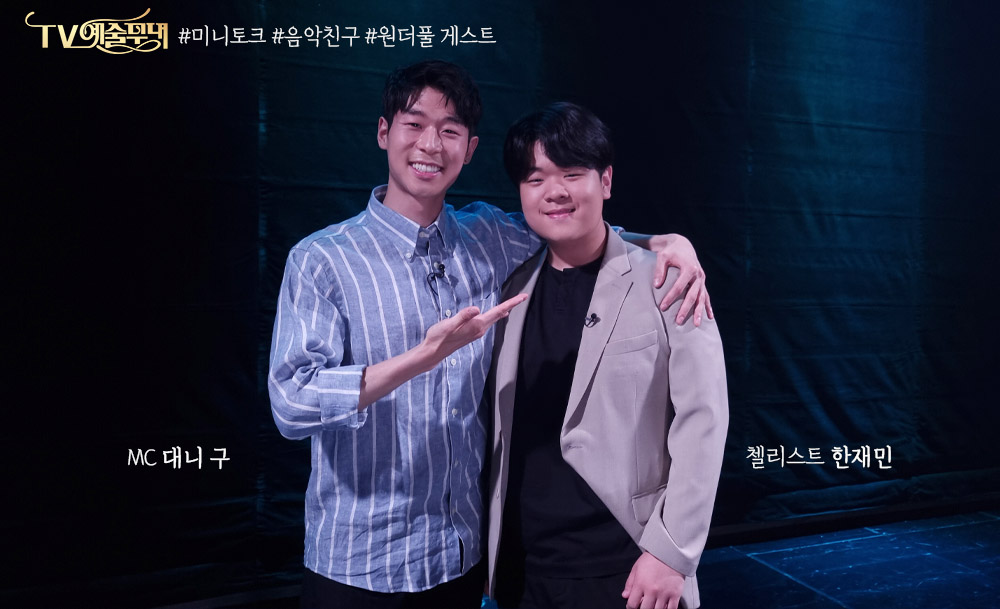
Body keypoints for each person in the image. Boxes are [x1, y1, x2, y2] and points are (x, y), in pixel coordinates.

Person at [268, 61, 711, 609]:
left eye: (450, 130)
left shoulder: (488, 238)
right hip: (361, 562)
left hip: (462, 557)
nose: (430, 144)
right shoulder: (322, 259)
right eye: (414, 124)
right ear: (384, 132)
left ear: (470, 148)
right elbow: (291, 404)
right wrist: (419, 358)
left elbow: (575, 224)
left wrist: (665, 242)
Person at [486, 102, 729, 609]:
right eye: (535, 179)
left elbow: (704, 420)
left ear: (606, 181)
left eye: (572, 174)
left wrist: (670, 553)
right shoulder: (509, 288)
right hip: (523, 568)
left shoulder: (667, 279)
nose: (554, 191)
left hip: (627, 564)